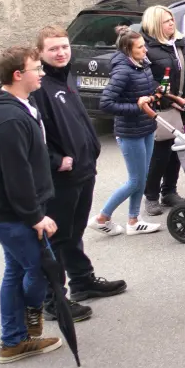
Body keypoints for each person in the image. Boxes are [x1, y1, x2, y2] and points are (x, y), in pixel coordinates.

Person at [0, 46, 63, 363]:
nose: (42, 73)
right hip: (9, 214)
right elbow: (16, 175)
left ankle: (13, 339)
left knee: (17, 270)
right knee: (40, 268)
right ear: (17, 75)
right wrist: (35, 216)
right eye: (36, 68)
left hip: (10, 211)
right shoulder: (8, 119)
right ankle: (26, 321)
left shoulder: (19, 106)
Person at [31, 27, 126, 320]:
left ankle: (82, 281)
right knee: (58, 238)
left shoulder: (67, 76)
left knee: (74, 233)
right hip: (61, 176)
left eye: (64, 47)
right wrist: (55, 160)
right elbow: (32, 136)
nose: (61, 53)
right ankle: (53, 300)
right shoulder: (39, 87)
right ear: (40, 53)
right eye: (53, 49)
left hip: (84, 170)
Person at [94, 28, 163, 235]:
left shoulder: (142, 64)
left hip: (146, 127)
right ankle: (102, 217)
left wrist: (156, 92)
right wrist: (137, 107)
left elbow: (143, 90)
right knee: (135, 180)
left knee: (142, 178)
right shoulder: (122, 71)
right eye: (140, 47)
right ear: (128, 50)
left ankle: (134, 220)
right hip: (130, 132)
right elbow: (106, 103)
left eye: (144, 45)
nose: (145, 50)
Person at [141, 5, 185, 215]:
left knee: (178, 150)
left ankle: (169, 191)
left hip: (183, 105)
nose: (172, 23)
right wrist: (169, 99)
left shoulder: (182, 43)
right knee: (161, 154)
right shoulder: (146, 48)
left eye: (172, 19)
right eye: (166, 21)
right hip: (162, 107)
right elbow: (146, 79)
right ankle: (151, 196)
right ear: (155, 24)